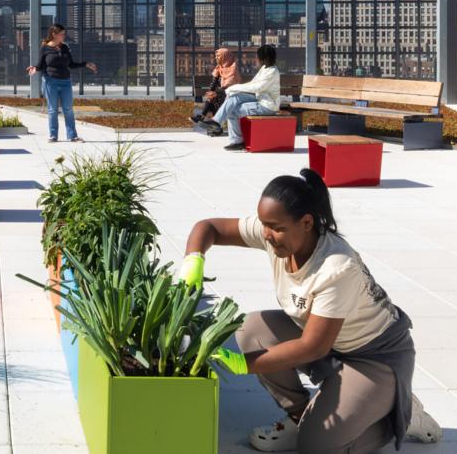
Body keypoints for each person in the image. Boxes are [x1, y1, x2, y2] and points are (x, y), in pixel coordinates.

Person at [178, 168, 443, 453]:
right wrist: (194, 259)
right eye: (265, 224)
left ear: (306, 222)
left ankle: (399, 414)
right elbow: (209, 228)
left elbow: (313, 346)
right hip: (330, 340)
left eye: (276, 227)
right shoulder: (277, 232)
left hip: (374, 357)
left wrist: (243, 364)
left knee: (318, 446)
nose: (267, 234)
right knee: (251, 330)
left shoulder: (336, 268)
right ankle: (300, 416)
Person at [27, 24, 97, 143]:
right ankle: (53, 135)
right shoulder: (45, 48)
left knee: (68, 109)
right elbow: (41, 65)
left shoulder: (65, 47)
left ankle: (72, 136)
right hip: (50, 81)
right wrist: (35, 68)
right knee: (53, 109)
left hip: (65, 81)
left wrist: (85, 64)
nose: (64, 36)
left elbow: (70, 64)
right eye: (62, 34)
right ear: (54, 34)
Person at [203, 44, 280, 151]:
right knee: (234, 97)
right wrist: (233, 90)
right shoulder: (264, 69)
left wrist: (233, 88)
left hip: (267, 105)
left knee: (233, 110)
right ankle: (216, 122)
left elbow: (257, 87)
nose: (256, 59)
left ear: (265, 58)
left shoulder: (272, 72)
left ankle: (237, 142)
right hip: (259, 98)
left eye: (258, 56)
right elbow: (252, 84)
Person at [191, 47, 241, 133]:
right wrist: (210, 92)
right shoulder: (219, 69)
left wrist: (215, 93)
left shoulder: (233, 70)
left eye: (218, 56)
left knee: (216, 97)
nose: (216, 58)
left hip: (230, 95)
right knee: (213, 97)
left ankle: (209, 121)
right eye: (216, 56)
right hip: (219, 94)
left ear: (225, 57)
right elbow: (213, 84)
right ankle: (211, 123)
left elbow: (229, 88)